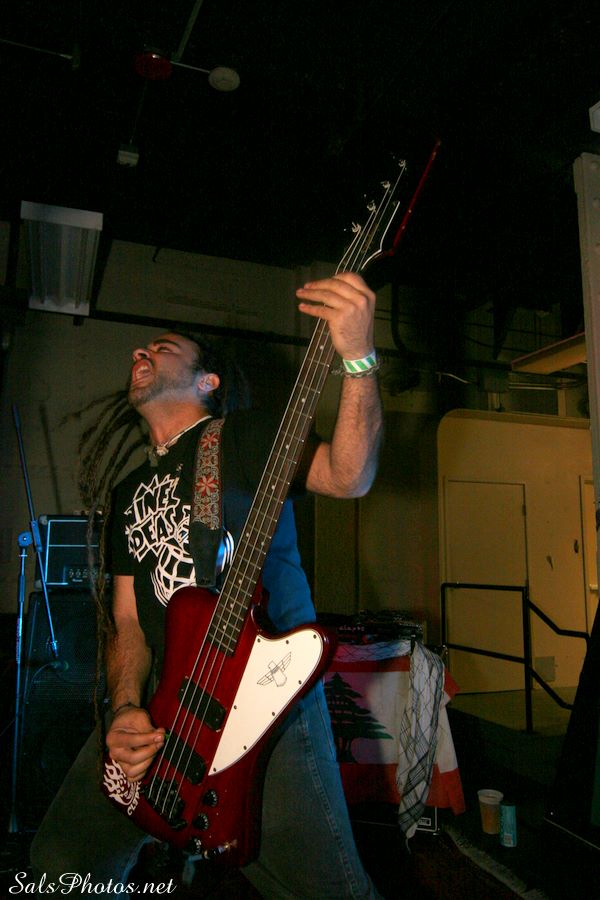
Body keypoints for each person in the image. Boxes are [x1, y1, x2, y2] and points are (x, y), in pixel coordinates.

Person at [30, 272, 383, 898]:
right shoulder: (128, 490)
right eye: (143, 347)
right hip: (161, 703)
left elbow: (348, 474)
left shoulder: (243, 438)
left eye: (163, 347)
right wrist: (125, 707)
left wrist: (357, 358)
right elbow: (128, 621)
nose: (141, 351)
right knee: (61, 865)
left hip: (259, 705)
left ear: (207, 382)